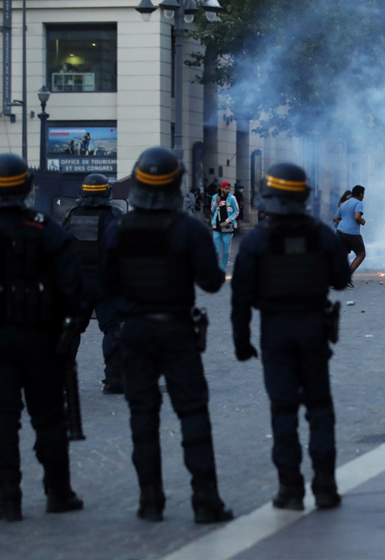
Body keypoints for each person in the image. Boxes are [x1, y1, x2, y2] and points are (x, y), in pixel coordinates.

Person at [100, 146, 232, 523]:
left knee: (142, 417)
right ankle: (205, 501)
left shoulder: (120, 228)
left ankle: (150, 501)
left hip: (135, 331)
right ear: (177, 182)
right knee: (192, 413)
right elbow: (210, 282)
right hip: (176, 330)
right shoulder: (188, 228)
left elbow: (108, 282)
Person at [0, 153, 84, 521]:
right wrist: (70, 329)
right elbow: (73, 289)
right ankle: (58, 493)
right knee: (48, 418)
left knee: (1, 417)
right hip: (41, 340)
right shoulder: (48, 230)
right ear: (29, 189)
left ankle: (8, 497)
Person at [232, 163, 351, 511]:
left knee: (282, 409)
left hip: (275, 331)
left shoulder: (256, 240)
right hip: (314, 329)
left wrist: (242, 342)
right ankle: (326, 487)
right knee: (319, 409)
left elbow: (240, 297)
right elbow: (341, 279)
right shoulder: (322, 235)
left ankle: (290, 489)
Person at [62, 173, 124, 394]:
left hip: (76, 283)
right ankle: (115, 379)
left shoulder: (72, 215)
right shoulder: (114, 216)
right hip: (106, 283)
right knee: (114, 329)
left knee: (70, 330)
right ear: (107, 193)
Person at [334, 185, 366, 284]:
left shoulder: (344, 203)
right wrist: (362, 221)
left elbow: (335, 218)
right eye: (363, 194)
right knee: (361, 254)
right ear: (361, 194)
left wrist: (344, 225)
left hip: (340, 231)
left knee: (343, 254)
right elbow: (357, 217)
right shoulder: (358, 203)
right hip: (352, 233)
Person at [211, 181, 240, 272]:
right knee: (215, 249)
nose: (228, 190)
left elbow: (236, 211)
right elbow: (212, 210)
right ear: (222, 188)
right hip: (217, 226)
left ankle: (222, 268)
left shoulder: (232, 198)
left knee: (226, 251)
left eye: (229, 188)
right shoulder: (215, 197)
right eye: (226, 188)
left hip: (227, 227)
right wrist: (216, 202)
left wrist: (227, 221)